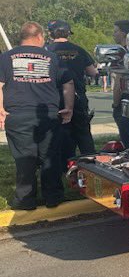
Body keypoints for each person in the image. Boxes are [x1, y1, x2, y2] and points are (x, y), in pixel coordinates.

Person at [0, 22, 75, 210]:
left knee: (24, 158)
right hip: (47, 114)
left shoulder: (5, 57)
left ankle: (25, 199)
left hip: (17, 114)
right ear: (40, 36)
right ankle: (53, 196)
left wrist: (0, 109)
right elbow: (68, 83)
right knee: (50, 156)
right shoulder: (52, 58)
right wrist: (68, 108)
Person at [46, 19, 98, 159]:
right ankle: (90, 161)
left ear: (50, 33)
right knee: (83, 132)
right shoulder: (79, 50)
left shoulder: (46, 51)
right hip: (77, 96)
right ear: (68, 33)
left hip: (55, 97)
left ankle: (63, 163)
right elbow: (92, 72)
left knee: (58, 134)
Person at [111, 19, 129, 147]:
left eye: (116, 31)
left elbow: (118, 82)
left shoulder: (121, 55)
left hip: (125, 103)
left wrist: (115, 104)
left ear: (124, 33)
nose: (113, 34)